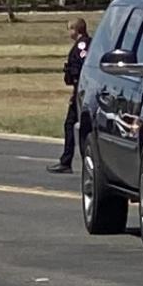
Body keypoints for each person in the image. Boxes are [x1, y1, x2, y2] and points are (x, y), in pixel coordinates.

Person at [48, 17, 90, 174]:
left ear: (76, 29)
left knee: (71, 124)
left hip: (82, 91)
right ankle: (70, 160)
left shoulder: (82, 45)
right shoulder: (85, 44)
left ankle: (67, 161)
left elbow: (83, 67)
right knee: (76, 125)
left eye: (70, 29)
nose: (68, 33)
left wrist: (73, 76)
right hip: (81, 90)